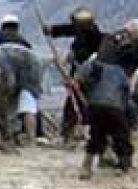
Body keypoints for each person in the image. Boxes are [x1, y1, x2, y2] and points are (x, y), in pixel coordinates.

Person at [74, 53, 137, 178]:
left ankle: (86, 167)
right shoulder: (119, 71)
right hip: (114, 107)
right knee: (121, 136)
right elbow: (127, 93)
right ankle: (125, 166)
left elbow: (78, 80)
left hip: (95, 106)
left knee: (96, 136)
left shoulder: (93, 65)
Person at [47, 8, 104, 142]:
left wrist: (78, 77)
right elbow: (70, 32)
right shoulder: (81, 35)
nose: (74, 27)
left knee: (85, 105)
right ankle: (68, 134)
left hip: (89, 78)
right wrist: (53, 30)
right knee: (72, 106)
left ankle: (87, 132)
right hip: (76, 76)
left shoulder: (96, 38)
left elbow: (91, 60)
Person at [0, 39, 46, 144]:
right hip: (25, 67)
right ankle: (14, 136)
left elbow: (10, 80)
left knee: (27, 105)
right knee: (13, 105)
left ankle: (31, 140)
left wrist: (4, 93)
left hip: (30, 70)